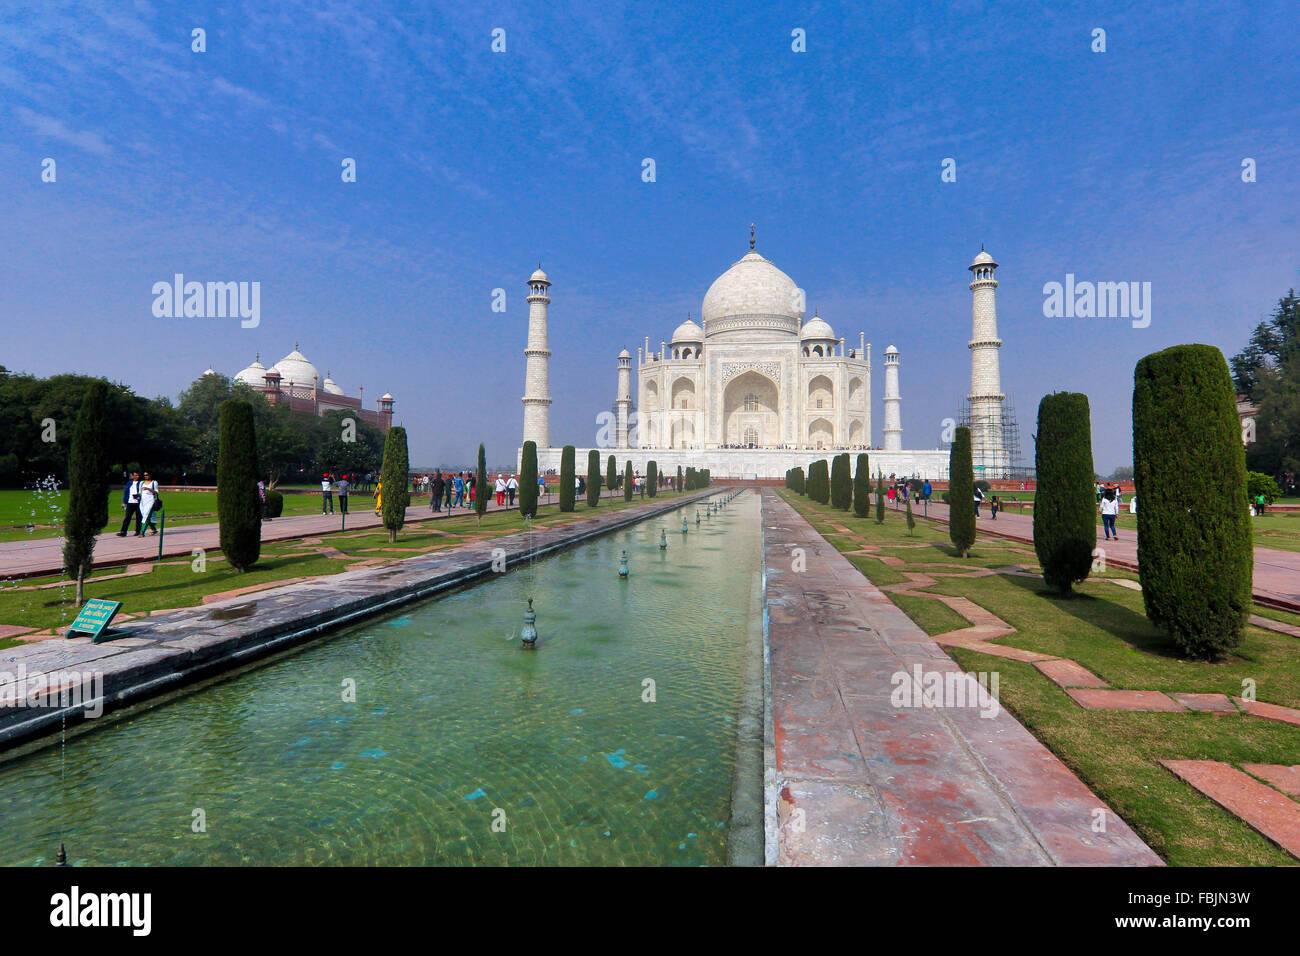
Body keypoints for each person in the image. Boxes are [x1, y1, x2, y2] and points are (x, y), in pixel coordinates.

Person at [117, 470, 142, 536]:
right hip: (130, 502)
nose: (136, 476)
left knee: (139, 518)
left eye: (138, 475)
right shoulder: (129, 483)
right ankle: (123, 532)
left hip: (139, 503)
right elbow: (125, 493)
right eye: (135, 475)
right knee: (127, 517)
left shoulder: (141, 483)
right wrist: (124, 502)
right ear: (133, 476)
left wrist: (140, 497)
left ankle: (138, 531)